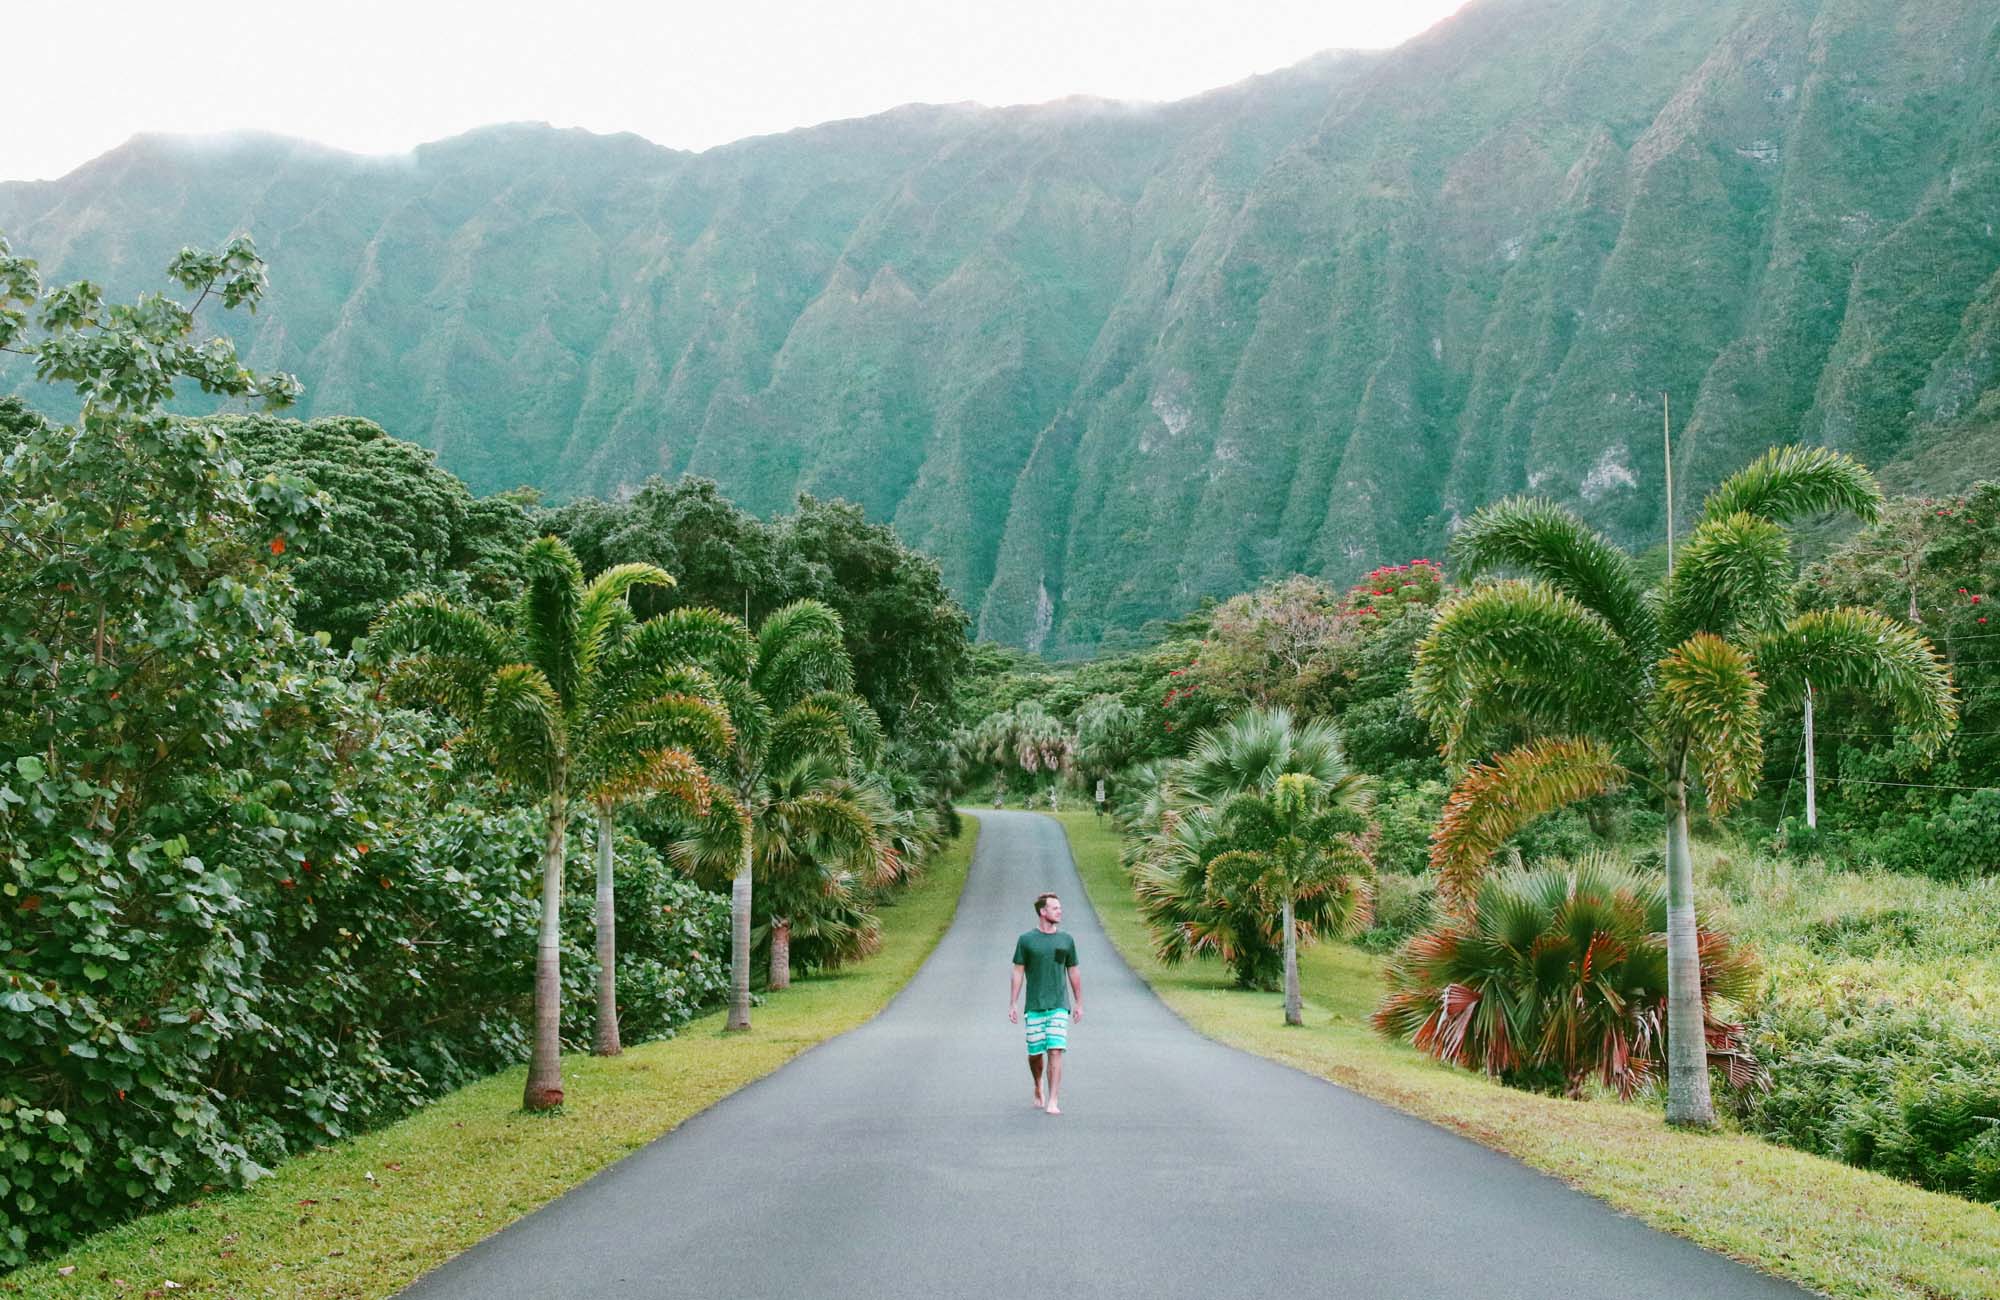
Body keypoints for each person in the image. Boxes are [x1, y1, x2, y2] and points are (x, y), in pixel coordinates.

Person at [1008, 892, 1081, 1114]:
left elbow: (1073, 971)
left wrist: (1079, 1002)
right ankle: (1038, 1085)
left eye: (1059, 907)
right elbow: (1018, 972)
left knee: (1056, 1050)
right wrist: (1013, 1003)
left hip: (1059, 1004)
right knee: (1035, 1053)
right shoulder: (1026, 940)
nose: (1059, 911)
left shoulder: (1066, 940)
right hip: (1035, 1005)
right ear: (1043, 911)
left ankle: (1053, 1099)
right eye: (1055, 908)